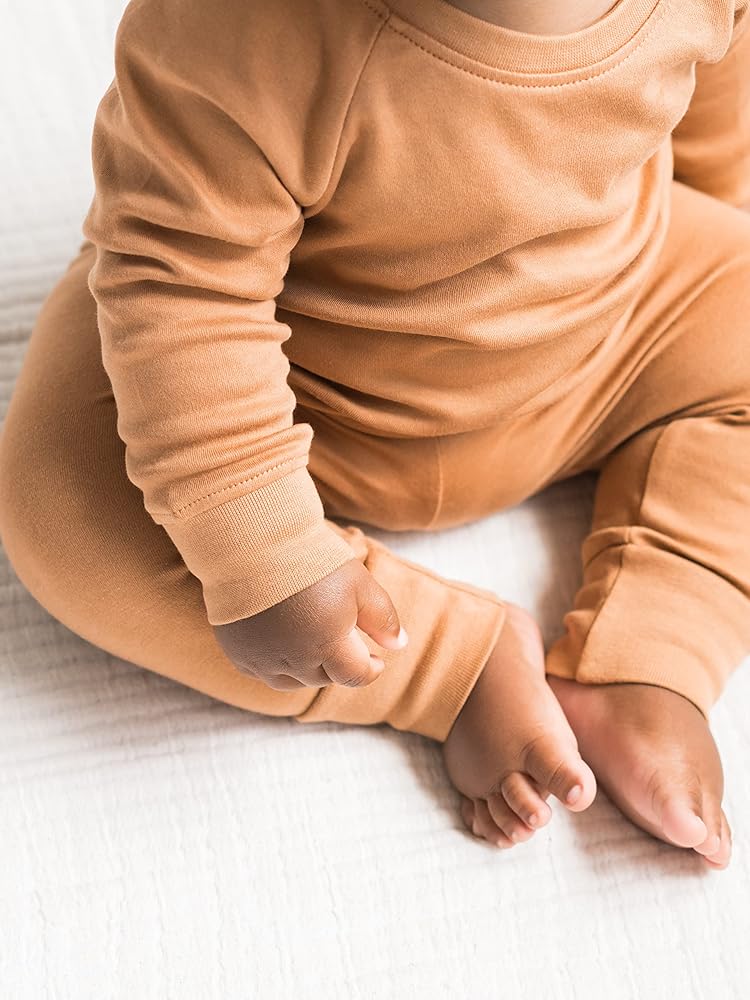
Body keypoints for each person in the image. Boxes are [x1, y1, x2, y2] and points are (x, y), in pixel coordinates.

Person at [1, 0, 749, 868]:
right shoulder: (240, 26)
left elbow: (717, 87)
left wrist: (719, 226)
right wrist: (261, 547)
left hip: (606, 333)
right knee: (60, 510)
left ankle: (650, 650)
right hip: (286, 393)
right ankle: (446, 663)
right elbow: (181, 284)